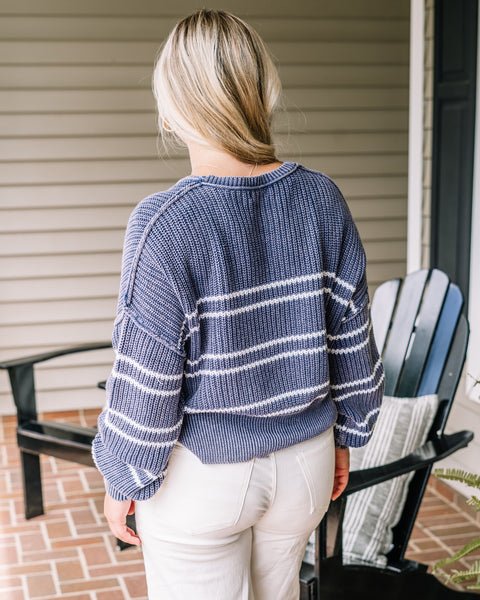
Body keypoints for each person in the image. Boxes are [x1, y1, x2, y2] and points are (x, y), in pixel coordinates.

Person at [92, 9, 385, 600]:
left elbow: (146, 379)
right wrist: (347, 439)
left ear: (174, 108)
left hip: (204, 479)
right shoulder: (322, 199)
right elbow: (352, 343)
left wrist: (123, 477)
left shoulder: (166, 224)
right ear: (261, 91)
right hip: (306, 465)